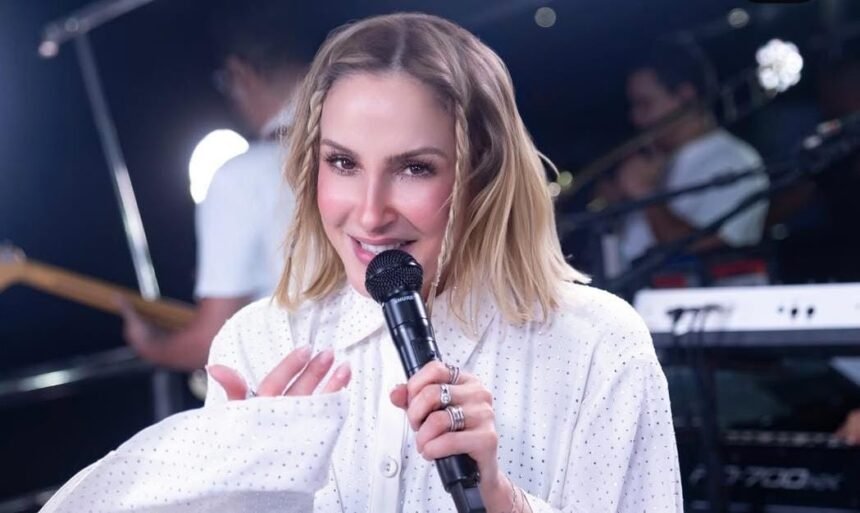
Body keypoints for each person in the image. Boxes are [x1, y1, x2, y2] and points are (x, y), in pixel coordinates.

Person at [41, 13, 682, 512]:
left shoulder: (599, 345)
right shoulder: (258, 342)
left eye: (414, 168)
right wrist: (236, 490)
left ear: (482, 175)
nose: (370, 214)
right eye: (343, 163)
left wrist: (500, 498)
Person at [119, 1, 315, 370]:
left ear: (240, 73)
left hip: (304, 386)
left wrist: (151, 344)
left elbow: (210, 341)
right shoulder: (362, 148)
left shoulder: (240, 178)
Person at [603, 41, 768, 269]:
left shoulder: (736, 162)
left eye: (645, 104)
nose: (636, 117)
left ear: (686, 96)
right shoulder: (657, 162)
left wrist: (645, 194)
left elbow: (709, 248)